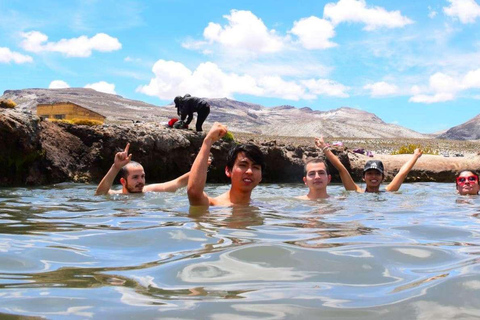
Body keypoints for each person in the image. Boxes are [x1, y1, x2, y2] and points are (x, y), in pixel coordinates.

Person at [187, 122, 265, 207]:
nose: (249, 171)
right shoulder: (214, 206)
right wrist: (208, 140)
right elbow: (194, 192)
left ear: (261, 177)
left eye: (256, 167)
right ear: (228, 170)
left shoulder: (263, 208)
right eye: (243, 165)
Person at [315, 137, 423, 193]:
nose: (373, 177)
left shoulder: (388, 191)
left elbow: (402, 173)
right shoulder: (356, 191)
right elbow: (341, 169)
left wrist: (415, 156)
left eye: (377, 174)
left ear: (382, 177)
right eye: (370, 173)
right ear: (363, 177)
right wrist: (324, 148)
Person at [95, 143, 190, 195]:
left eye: (142, 176)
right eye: (135, 177)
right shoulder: (117, 195)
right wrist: (116, 167)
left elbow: (179, 183)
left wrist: (203, 165)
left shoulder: (149, 190)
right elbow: (100, 193)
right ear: (123, 181)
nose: (141, 181)